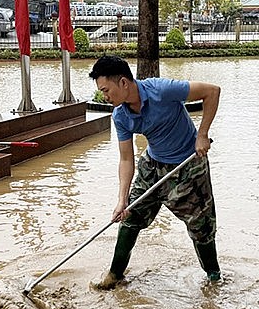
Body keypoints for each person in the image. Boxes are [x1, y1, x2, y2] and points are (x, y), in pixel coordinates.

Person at [88, 55, 221, 288]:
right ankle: (115, 275)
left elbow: (212, 91)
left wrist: (202, 134)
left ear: (123, 83)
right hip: (152, 166)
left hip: (188, 165)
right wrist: (121, 200)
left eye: (106, 90)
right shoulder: (120, 116)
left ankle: (213, 277)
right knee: (129, 217)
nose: (104, 96)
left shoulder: (162, 90)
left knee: (201, 228)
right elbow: (126, 159)